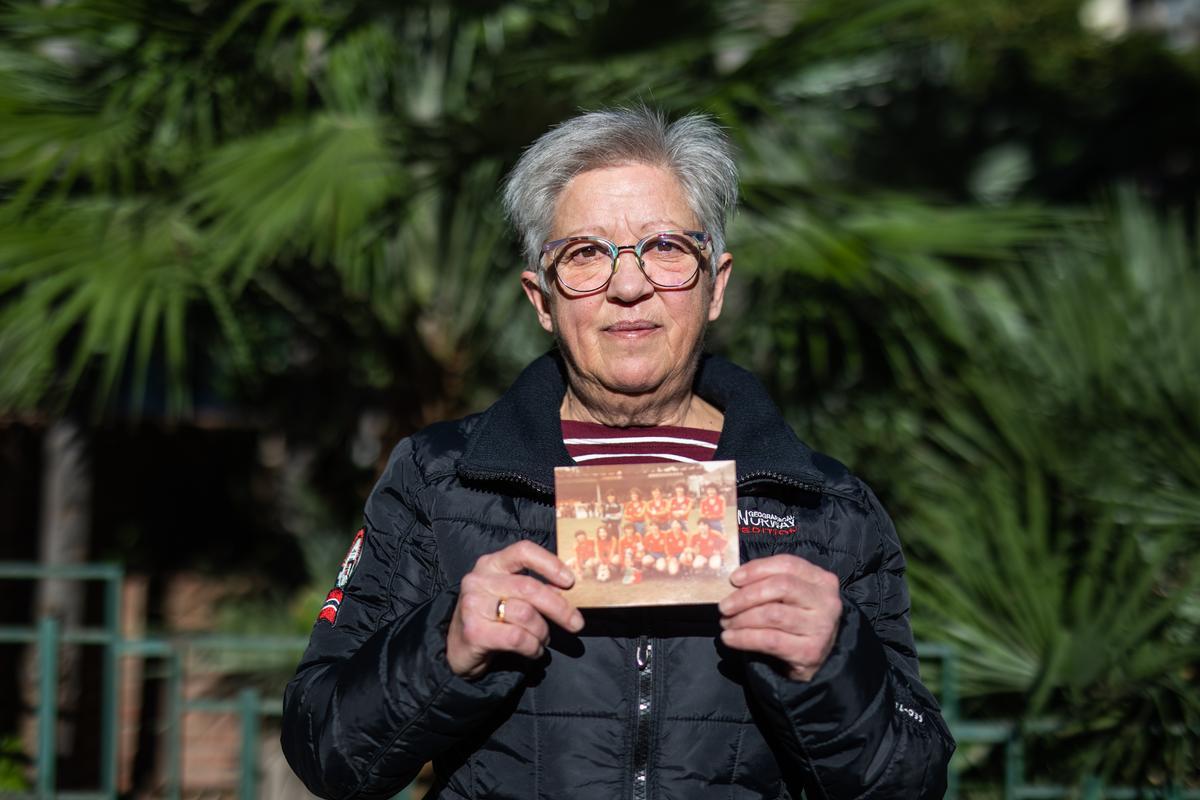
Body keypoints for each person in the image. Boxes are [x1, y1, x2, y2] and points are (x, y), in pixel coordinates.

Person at [282, 106, 954, 799]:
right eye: (584, 254)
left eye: (665, 247)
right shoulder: (440, 479)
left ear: (716, 283)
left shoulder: (825, 507)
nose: (628, 286)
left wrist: (837, 663)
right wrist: (444, 649)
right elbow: (322, 747)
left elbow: (912, 779)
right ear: (540, 298)